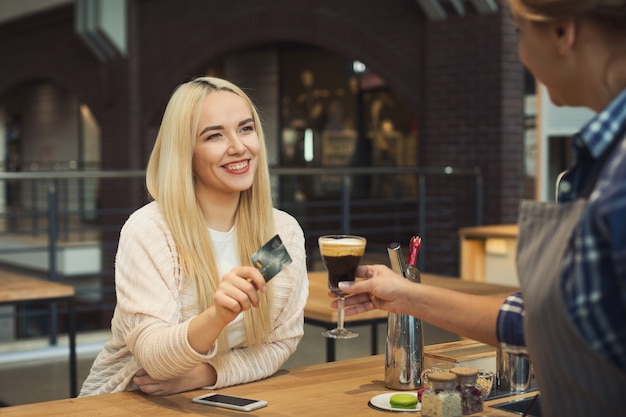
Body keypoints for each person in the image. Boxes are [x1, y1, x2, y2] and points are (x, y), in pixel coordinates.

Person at [335, 1, 626, 416]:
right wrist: (406, 295)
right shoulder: (605, 158)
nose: (522, 54)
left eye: (520, 33)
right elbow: (548, 321)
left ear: (564, 34)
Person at [80, 76, 308, 396]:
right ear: (186, 151)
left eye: (246, 128)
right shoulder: (151, 231)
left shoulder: (280, 236)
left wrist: (206, 375)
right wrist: (217, 317)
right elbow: (154, 362)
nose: (239, 146)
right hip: (128, 401)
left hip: (214, 397)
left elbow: (279, 343)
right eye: (215, 135)